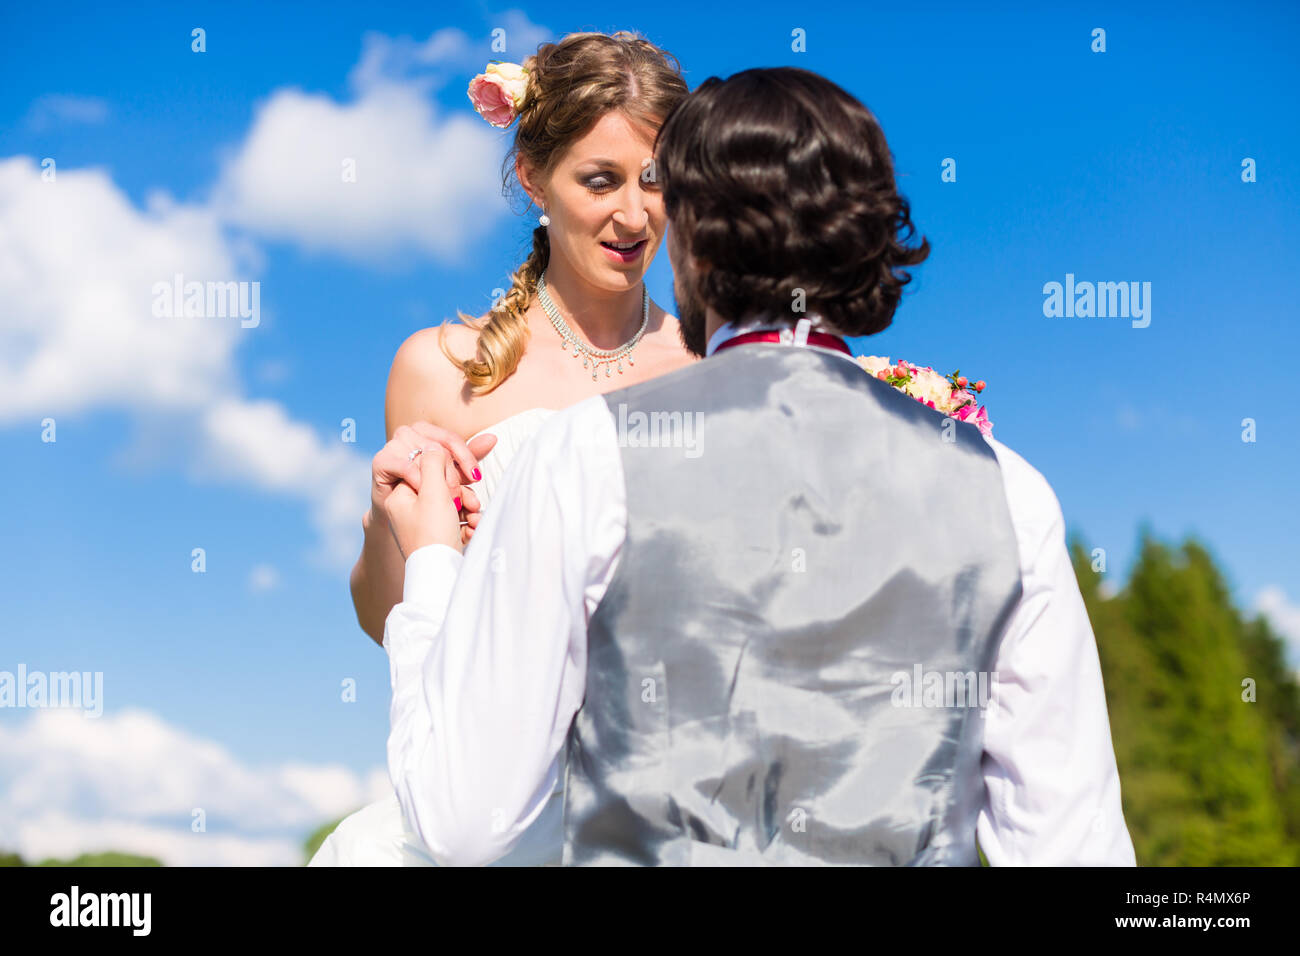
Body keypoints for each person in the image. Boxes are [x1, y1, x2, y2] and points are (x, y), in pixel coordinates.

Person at [380, 66, 1138, 866]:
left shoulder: (588, 454)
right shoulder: (1008, 491)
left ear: (695, 244)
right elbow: (1076, 846)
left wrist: (431, 567)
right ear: (874, 234)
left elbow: (463, 823)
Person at [309, 31, 695, 866]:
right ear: (532, 177)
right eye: (600, 180)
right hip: (489, 807)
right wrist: (393, 522)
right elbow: (386, 620)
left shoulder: (712, 367)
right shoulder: (438, 369)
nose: (635, 214)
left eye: (657, 181)